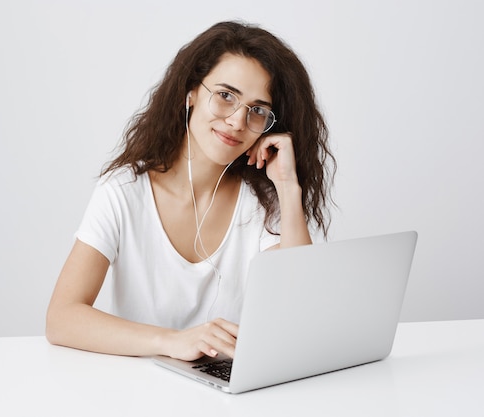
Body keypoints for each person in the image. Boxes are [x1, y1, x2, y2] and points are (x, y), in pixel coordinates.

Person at [46, 21, 335, 361]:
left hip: (235, 394)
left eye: (257, 110)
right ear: (191, 93)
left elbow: (300, 315)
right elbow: (61, 318)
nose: (238, 122)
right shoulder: (124, 191)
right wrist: (173, 342)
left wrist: (288, 187)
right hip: (138, 392)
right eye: (226, 96)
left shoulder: (264, 203)